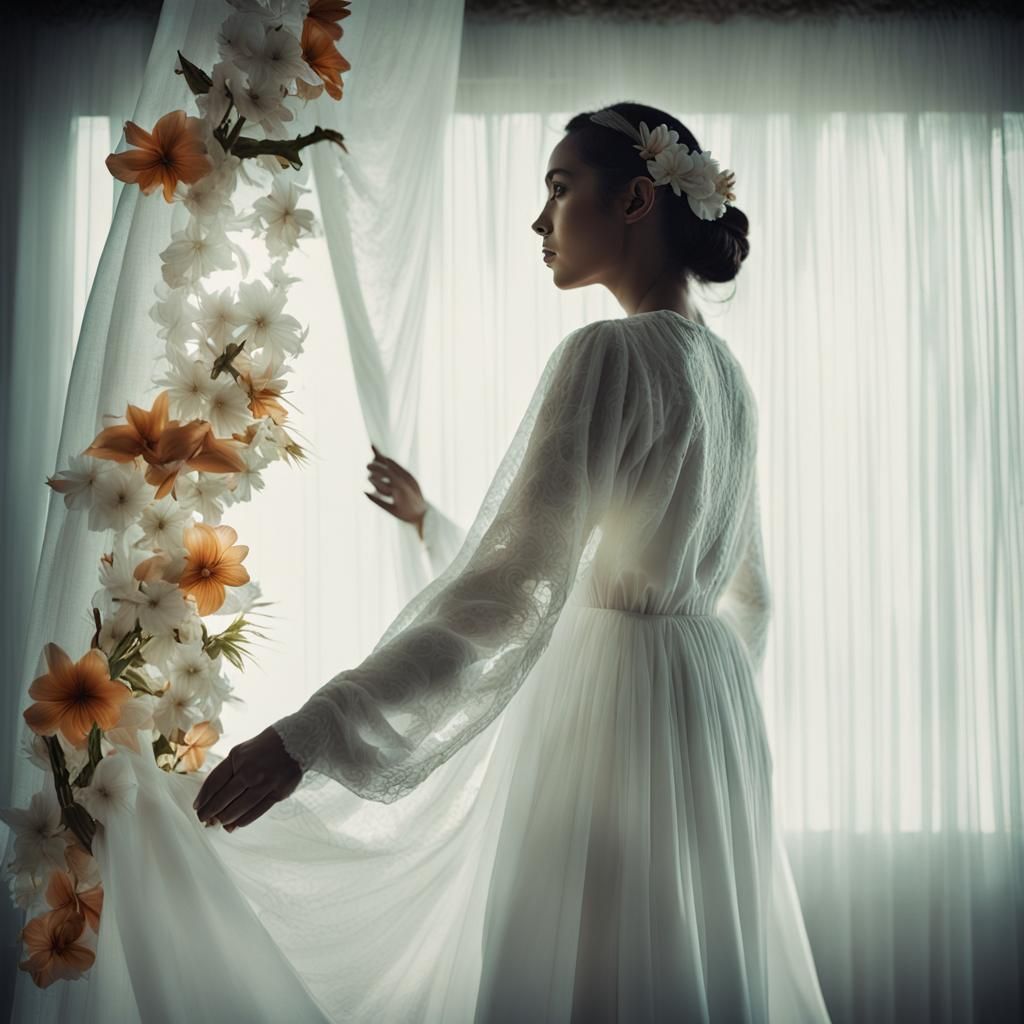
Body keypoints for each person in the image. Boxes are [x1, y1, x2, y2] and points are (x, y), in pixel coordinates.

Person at [189, 102, 832, 1021]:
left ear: (639, 200)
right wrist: (701, 717)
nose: (540, 221)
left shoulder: (606, 353)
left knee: (587, 973)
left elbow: (510, 591)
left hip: (608, 724)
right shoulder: (728, 378)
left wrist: (317, 729)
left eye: (560, 191)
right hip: (708, 718)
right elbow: (747, 596)